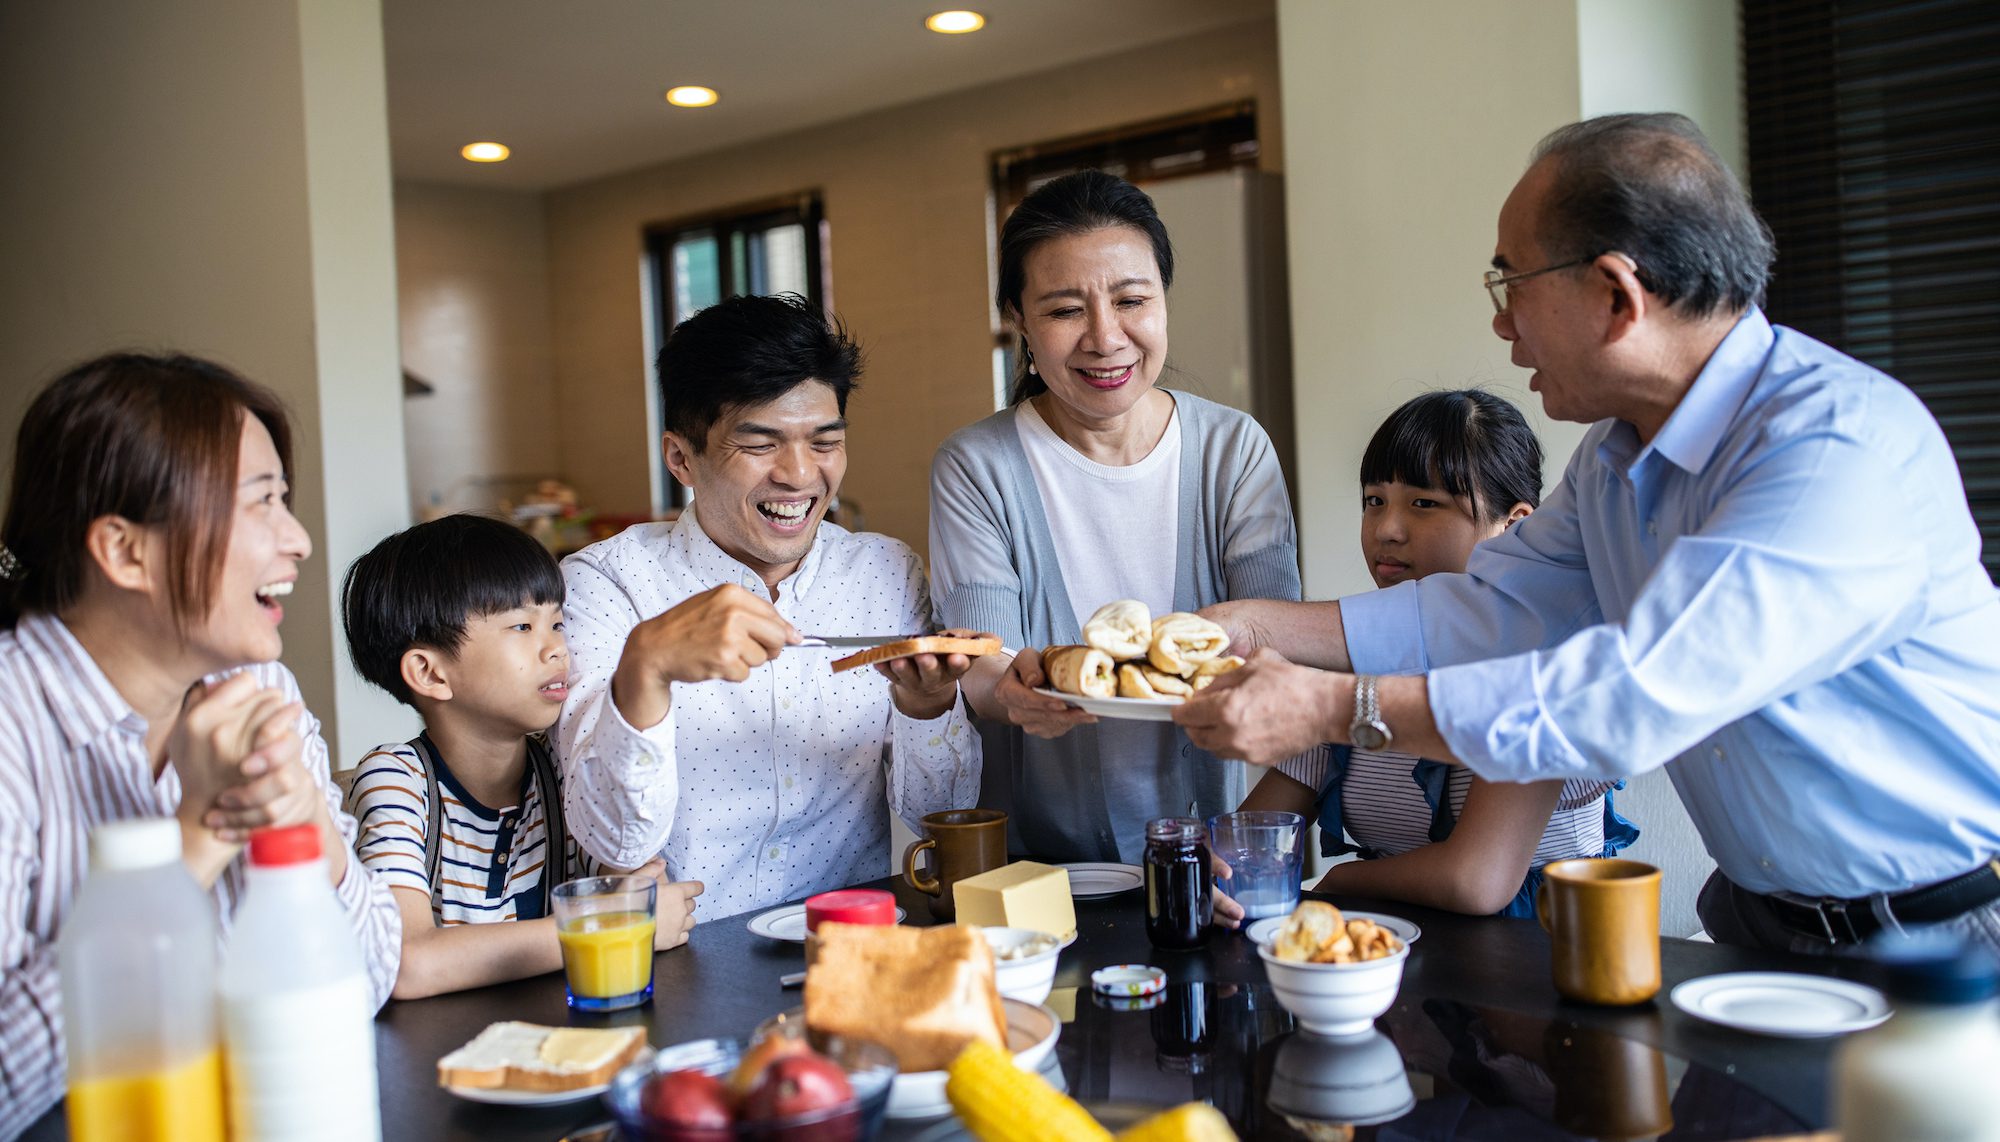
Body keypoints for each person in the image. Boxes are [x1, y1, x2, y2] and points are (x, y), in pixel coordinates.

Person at [1177, 113, 2000, 957]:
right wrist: (1257, 626)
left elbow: (1633, 693)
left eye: (1511, 285)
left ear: (1615, 293)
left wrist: (1335, 706)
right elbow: (1491, 606)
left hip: (1939, 929)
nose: (1503, 325)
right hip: (1761, 924)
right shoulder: (1611, 464)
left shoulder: (1829, 447)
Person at [0, 353, 401, 1133]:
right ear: (124, 551)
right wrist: (198, 837)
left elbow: (369, 980)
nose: (300, 542)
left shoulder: (255, 693)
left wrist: (309, 827)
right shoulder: (12, 723)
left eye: (285, 501)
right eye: (261, 504)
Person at [555, 293, 986, 920]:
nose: (799, 474)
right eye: (760, 445)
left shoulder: (886, 572)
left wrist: (927, 708)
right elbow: (615, 842)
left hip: (852, 939)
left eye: (824, 441)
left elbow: (939, 819)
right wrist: (645, 668)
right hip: (683, 956)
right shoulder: (607, 583)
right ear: (681, 457)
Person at [930, 170, 1301, 863]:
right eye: (1066, 310)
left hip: (1204, 855)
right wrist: (1011, 688)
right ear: (1018, 321)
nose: (1106, 337)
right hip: (1036, 870)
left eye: (1132, 300)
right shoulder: (977, 465)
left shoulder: (1232, 449)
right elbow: (983, 660)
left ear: (1163, 300)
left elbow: (1278, 635)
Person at [1219, 391, 1635, 926]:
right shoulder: (1349, 667)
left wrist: (1339, 882)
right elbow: (1262, 829)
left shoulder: (1534, 670)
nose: (1386, 530)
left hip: (1541, 950)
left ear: (1514, 525)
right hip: (1394, 951)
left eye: (1424, 503)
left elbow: (1476, 880)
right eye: (1374, 501)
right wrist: (1214, 864)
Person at [341, 513, 703, 998]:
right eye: (521, 626)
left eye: (556, 622)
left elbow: (630, 883)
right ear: (430, 673)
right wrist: (612, 926)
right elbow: (407, 961)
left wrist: (629, 898)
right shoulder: (398, 780)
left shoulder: (560, 767)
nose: (558, 648)